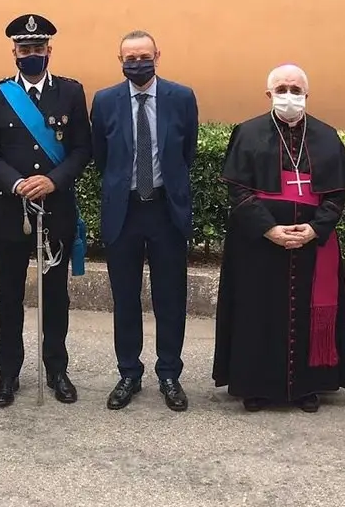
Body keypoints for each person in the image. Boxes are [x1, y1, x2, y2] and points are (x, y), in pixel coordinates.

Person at [212, 64, 345, 413]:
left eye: (296, 89)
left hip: (311, 245)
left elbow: (337, 194)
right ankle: (255, 386)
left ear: (307, 94)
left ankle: (308, 386)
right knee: (256, 312)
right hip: (258, 244)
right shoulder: (247, 133)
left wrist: (315, 229)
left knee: (309, 312)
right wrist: (269, 229)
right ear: (269, 94)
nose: (289, 95)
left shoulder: (325, 135)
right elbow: (238, 191)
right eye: (282, 88)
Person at [0, 13, 92, 407]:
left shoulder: (71, 92)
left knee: (55, 294)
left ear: (49, 52)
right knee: (8, 295)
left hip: (56, 209)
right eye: (25, 49)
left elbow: (82, 150)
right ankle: (8, 373)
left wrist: (53, 180)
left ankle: (57, 369)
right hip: (13, 212)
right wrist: (17, 182)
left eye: (38, 49)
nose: (31, 55)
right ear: (13, 52)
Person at [89, 30, 199, 411]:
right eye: (129, 57)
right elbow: (102, 156)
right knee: (125, 297)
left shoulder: (181, 97)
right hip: (125, 210)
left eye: (144, 56)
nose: (137, 62)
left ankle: (169, 373)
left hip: (166, 210)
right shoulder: (104, 101)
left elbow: (188, 151)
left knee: (170, 297)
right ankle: (129, 373)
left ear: (157, 55)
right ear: (120, 59)